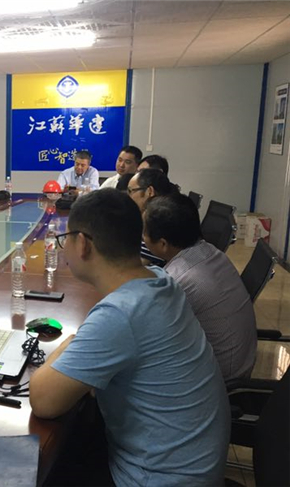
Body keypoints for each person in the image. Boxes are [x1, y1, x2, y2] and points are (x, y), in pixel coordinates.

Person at [29, 189, 230, 487]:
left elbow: (42, 400)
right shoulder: (160, 280)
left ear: (82, 244)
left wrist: (67, 345)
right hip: (193, 466)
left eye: (65, 238)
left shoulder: (121, 313)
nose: (64, 246)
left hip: (157, 479)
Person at [143, 193, 257, 386]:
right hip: (240, 363)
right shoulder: (210, 251)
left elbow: (148, 336)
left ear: (163, 244)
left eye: (144, 232)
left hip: (220, 380)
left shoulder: (178, 279)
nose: (142, 237)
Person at [127, 168, 180, 266]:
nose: (128, 196)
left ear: (149, 191)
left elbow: (137, 265)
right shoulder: (163, 210)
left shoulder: (159, 219)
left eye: (131, 191)